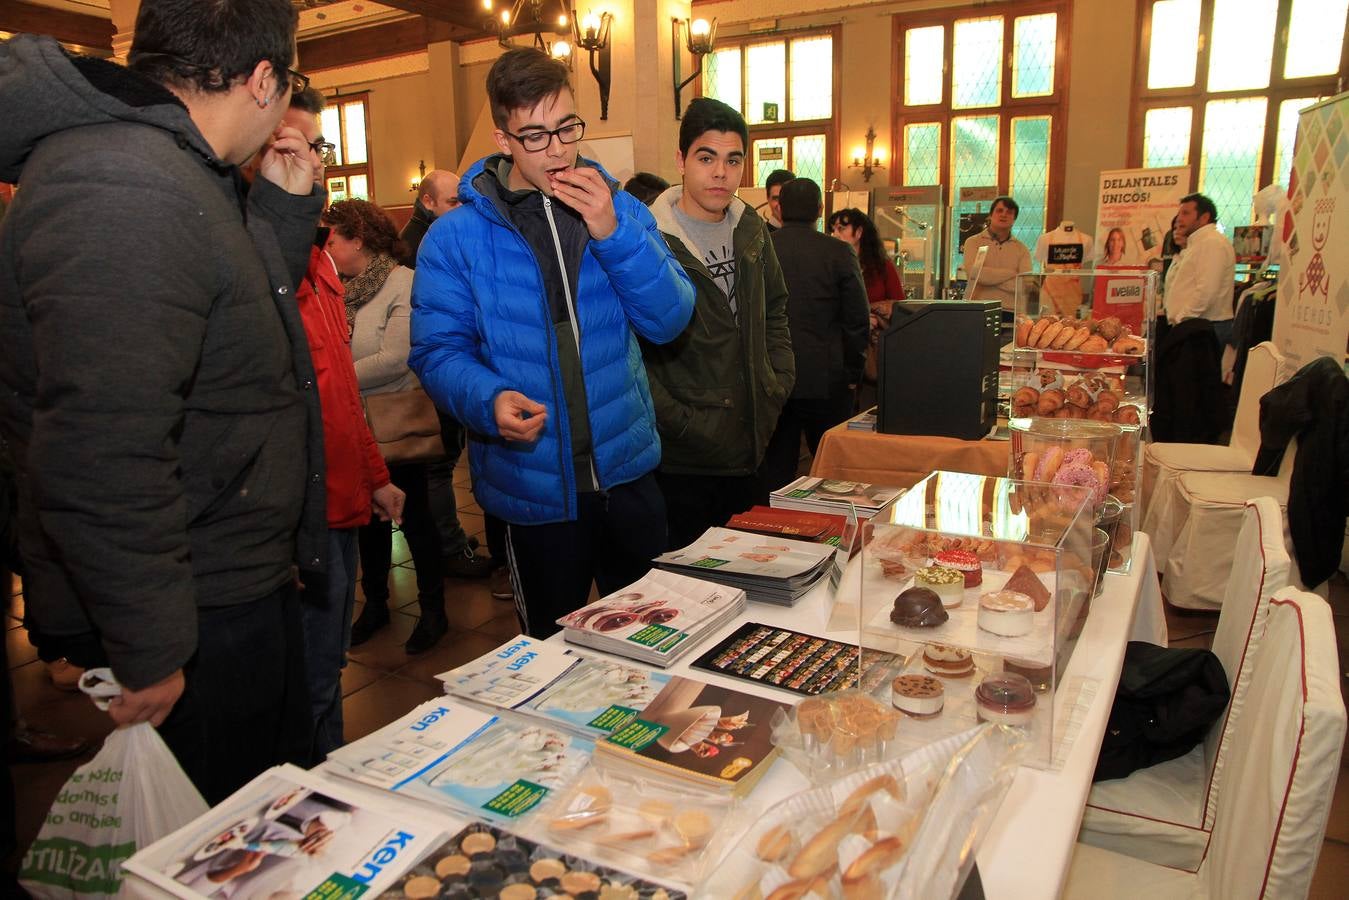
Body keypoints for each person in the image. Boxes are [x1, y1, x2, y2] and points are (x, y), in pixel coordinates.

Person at [0, 0, 324, 803]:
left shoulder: (174, 163)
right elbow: (101, 446)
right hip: (193, 598)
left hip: (228, 571)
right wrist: (151, 647)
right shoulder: (123, 181)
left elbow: (227, 328)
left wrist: (280, 212)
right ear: (263, 80)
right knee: (220, 837)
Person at [409, 48, 694, 638]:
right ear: (503, 139)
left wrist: (612, 232)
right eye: (535, 136)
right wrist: (486, 399)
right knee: (550, 654)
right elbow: (437, 351)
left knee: (653, 643)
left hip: (628, 475)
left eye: (567, 128)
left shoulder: (621, 208)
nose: (559, 150)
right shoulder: (455, 237)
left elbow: (669, 320)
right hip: (532, 490)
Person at [263, 89, 405, 759]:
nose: (315, 165)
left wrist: (376, 475)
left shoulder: (318, 258)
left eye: (315, 148)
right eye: (291, 147)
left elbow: (339, 389)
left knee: (327, 671)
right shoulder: (260, 264)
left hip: (342, 506)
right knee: (304, 687)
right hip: (298, 520)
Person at [643, 97, 795, 549]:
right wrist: (680, 421)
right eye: (706, 158)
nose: (720, 173)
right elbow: (634, 349)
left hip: (752, 441)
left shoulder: (751, 228)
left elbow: (776, 309)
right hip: (683, 455)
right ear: (681, 161)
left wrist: (777, 381)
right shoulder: (651, 239)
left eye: (733, 160)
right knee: (688, 578)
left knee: (752, 572)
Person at [323, 199, 448, 655]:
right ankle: (376, 604)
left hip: (394, 420)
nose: (325, 248)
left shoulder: (403, 282)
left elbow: (396, 358)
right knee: (366, 523)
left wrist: (330, 380)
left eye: (332, 240)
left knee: (414, 518)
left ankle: (433, 610)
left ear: (358, 241)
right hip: (350, 423)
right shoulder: (334, 286)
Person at [398, 170, 496, 584]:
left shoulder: (438, 234)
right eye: (453, 201)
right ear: (428, 203)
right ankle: (450, 549)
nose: (461, 209)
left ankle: (449, 540)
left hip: (451, 371)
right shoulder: (420, 244)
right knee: (438, 469)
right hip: (437, 374)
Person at [761, 179, 869, 491]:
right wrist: (854, 371)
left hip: (773, 376)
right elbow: (857, 319)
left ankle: (775, 520)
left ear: (780, 209)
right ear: (821, 210)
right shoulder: (839, 252)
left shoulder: (762, 249)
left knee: (775, 468)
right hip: (827, 376)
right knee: (831, 472)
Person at [1166, 192, 1236, 347]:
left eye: (1186, 213)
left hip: (1204, 327)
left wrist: (1182, 318)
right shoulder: (1198, 243)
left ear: (1204, 217)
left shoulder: (1212, 242)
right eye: (1179, 213)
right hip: (1194, 325)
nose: (1179, 219)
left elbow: (1206, 291)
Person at [961, 195, 1032, 316]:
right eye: (999, 210)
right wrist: (1011, 273)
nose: (1004, 215)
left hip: (1012, 312)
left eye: (1009, 212)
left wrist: (988, 280)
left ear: (1014, 219)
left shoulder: (1022, 249)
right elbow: (975, 275)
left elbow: (1025, 286)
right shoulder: (973, 242)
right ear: (990, 215)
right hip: (980, 310)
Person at [828, 207, 904, 306]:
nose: (835, 235)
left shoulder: (883, 266)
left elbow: (900, 304)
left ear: (859, 232)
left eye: (841, 228)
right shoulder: (830, 266)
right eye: (833, 230)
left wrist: (881, 309)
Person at [399, 169, 460, 267]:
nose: (461, 207)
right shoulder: (410, 244)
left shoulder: (441, 229)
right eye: (453, 202)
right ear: (428, 202)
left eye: (463, 201)